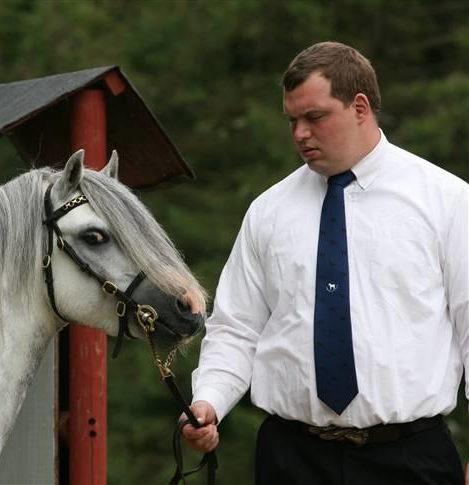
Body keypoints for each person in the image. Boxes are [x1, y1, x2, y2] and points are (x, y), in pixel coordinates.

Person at [182, 41, 468, 485]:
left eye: (314, 117)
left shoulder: (447, 201)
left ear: (359, 107)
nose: (300, 133)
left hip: (411, 461)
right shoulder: (268, 211)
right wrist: (209, 402)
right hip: (290, 459)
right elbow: (237, 327)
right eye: (292, 120)